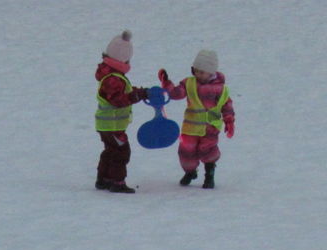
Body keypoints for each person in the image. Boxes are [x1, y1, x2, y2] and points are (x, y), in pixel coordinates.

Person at [158, 49, 235, 189]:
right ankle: (190, 171)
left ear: (211, 72)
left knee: (208, 149)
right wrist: (167, 83)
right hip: (190, 127)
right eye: (196, 70)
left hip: (211, 127)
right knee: (186, 151)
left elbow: (226, 105)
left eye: (202, 71)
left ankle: (209, 173)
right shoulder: (189, 83)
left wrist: (229, 121)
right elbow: (176, 93)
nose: (198, 74)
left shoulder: (221, 89)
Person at [94, 30, 151, 193]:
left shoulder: (110, 75)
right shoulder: (113, 78)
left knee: (110, 150)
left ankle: (103, 178)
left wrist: (141, 91)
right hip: (112, 126)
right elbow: (119, 100)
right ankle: (117, 182)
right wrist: (138, 95)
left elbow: (122, 92)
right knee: (121, 152)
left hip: (106, 125)